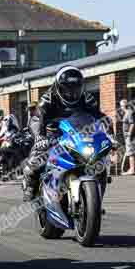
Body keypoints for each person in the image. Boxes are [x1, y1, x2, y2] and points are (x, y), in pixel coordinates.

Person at [22, 66, 110, 202]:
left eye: (75, 88)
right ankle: (30, 186)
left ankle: (96, 199)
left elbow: (100, 117)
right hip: (52, 133)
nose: (71, 92)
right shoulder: (48, 98)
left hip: (77, 135)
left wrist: (111, 135)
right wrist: (40, 137)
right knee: (37, 158)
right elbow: (37, 118)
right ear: (58, 86)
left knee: (100, 162)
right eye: (67, 88)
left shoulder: (87, 99)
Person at [120, 99, 135, 175]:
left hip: (129, 135)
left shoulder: (129, 113)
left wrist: (129, 134)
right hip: (127, 135)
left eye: (121, 105)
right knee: (131, 152)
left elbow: (132, 123)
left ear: (123, 106)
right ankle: (132, 169)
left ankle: (132, 169)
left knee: (131, 152)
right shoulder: (127, 113)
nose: (121, 107)